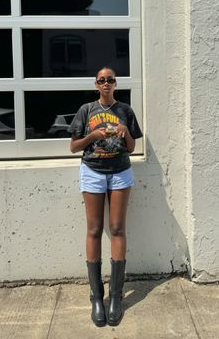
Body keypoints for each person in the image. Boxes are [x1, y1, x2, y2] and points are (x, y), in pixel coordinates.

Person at [68, 67, 143, 327]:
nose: (106, 83)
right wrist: (93, 136)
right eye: (102, 80)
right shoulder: (86, 110)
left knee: (117, 228)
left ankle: (116, 296)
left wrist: (125, 131)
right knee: (94, 229)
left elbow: (132, 148)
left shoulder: (126, 110)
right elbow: (73, 146)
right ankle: (96, 296)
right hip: (92, 172)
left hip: (121, 172)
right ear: (96, 84)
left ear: (115, 83)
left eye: (110, 79)